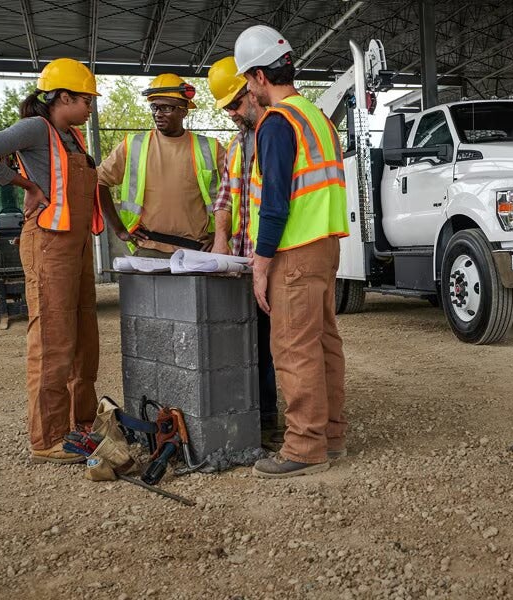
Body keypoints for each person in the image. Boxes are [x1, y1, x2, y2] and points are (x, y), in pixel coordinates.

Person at [0, 58, 105, 464]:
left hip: (75, 245)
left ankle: (82, 424)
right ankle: (48, 437)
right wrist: (24, 184)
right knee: (53, 337)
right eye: (85, 99)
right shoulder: (36, 129)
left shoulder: (72, 136)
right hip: (48, 244)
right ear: (62, 97)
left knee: (84, 334)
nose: (90, 106)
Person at [235, 24, 349, 478]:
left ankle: (304, 447)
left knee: (293, 348)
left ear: (261, 76)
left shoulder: (278, 123)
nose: (247, 88)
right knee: (323, 346)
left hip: (294, 252)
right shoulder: (316, 117)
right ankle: (331, 437)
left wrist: (261, 264)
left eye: (247, 79)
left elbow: (277, 202)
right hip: (324, 247)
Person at [207, 55, 282, 450]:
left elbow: (276, 202)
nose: (234, 114)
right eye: (228, 109)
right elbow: (224, 199)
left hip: (271, 257)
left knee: (273, 344)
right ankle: (255, 415)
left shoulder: (278, 132)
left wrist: (265, 259)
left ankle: (270, 421)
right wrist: (220, 242)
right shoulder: (237, 145)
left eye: (237, 104)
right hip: (241, 259)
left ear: (253, 89)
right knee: (249, 341)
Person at [97, 74, 225, 257]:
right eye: (154, 107)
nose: (158, 113)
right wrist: (119, 229)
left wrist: (220, 235)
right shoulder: (133, 145)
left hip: (197, 251)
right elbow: (98, 181)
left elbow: (234, 194)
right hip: (149, 248)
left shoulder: (210, 148)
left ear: (184, 111)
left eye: (166, 108)